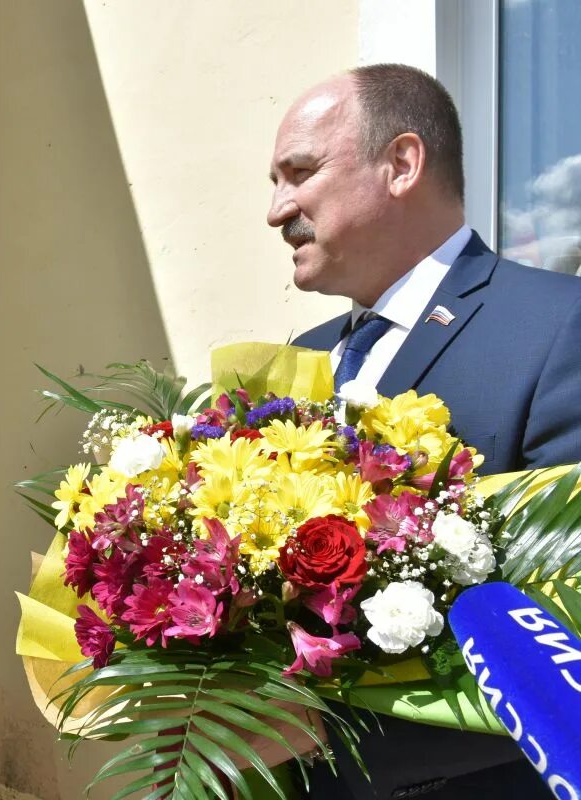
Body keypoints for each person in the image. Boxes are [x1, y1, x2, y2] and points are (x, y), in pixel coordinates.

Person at [268, 63, 581, 798]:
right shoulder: (298, 360)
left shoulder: (556, 326)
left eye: (300, 172)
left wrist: (320, 732)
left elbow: (563, 626)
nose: (278, 210)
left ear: (402, 163)